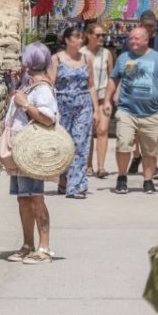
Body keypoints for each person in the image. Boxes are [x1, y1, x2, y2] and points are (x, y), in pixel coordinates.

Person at [102, 26, 158, 195]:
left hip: (152, 113)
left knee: (150, 150)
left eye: (136, 38)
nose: (132, 41)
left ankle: (148, 180)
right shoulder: (124, 58)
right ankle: (122, 177)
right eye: (131, 38)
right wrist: (107, 99)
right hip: (127, 110)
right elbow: (114, 79)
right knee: (123, 144)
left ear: (145, 39)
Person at [8, 42, 58, 264]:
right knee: (23, 199)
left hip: (33, 150)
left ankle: (44, 247)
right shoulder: (28, 86)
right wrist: (15, 85)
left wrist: (25, 104)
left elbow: (48, 118)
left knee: (36, 198)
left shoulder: (43, 90)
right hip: (21, 150)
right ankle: (27, 244)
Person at [52, 26, 98, 199]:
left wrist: (96, 110)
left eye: (81, 38)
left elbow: (91, 85)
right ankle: (63, 180)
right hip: (62, 105)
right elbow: (51, 83)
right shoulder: (56, 59)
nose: (80, 41)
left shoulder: (87, 59)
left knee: (80, 144)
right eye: (77, 37)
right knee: (63, 145)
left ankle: (77, 186)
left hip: (83, 105)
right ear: (67, 40)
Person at [85, 23, 114, 179]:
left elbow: (112, 76)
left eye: (103, 35)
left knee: (102, 130)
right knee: (88, 132)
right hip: (86, 99)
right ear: (89, 36)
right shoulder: (81, 53)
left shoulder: (106, 54)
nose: (101, 38)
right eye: (98, 35)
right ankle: (88, 165)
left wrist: (110, 97)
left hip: (103, 97)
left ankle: (101, 167)